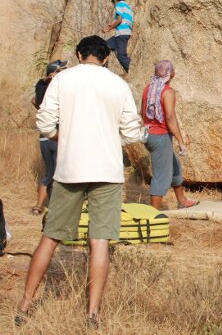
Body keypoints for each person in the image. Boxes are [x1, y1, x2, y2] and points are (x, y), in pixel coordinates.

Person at [18, 35, 144, 327]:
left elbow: (45, 121)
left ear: (78, 55)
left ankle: (24, 306)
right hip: (107, 172)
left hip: (70, 169)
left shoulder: (63, 80)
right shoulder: (118, 85)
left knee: (50, 238)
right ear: (107, 58)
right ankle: (92, 314)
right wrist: (112, 140)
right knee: (99, 241)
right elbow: (133, 132)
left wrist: (63, 138)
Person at [141, 60, 199, 210]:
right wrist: (180, 140)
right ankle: (153, 213)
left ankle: (182, 200)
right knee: (162, 175)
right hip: (160, 136)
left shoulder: (148, 89)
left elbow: (143, 113)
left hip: (149, 134)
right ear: (171, 74)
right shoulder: (168, 91)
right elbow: (169, 117)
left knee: (174, 167)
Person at [30, 59, 68, 215]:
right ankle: (56, 208)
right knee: (62, 173)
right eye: (63, 70)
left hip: (44, 138)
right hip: (59, 136)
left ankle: (38, 206)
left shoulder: (42, 90)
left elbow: (34, 100)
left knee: (49, 172)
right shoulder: (61, 91)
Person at [101, 0, 134, 74]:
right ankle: (103, 69)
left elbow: (119, 20)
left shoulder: (119, 5)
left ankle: (132, 72)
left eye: (114, 3)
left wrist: (109, 28)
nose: (114, 5)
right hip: (123, 33)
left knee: (121, 56)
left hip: (122, 34)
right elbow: (125, 21)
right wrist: (113, 25)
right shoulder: (129, 8)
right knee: (104, 45)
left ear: (115, 0)